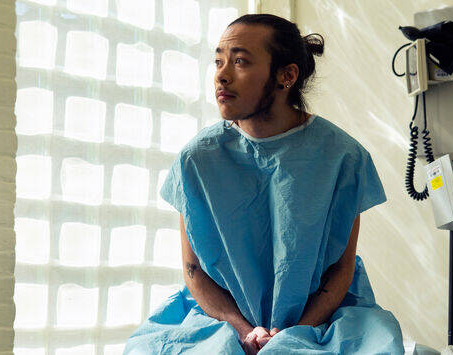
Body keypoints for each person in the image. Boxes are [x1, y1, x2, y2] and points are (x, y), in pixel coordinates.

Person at [124, 14, 404, 354]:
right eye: (218, 62)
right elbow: (194, 270)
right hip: (221, 317)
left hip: (324, 317)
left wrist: (293, 334)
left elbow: (341, 271)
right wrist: (244, 331)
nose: (222, 76)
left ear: (287, 75)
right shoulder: (197, 159)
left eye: (240, 61)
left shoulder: (343, 157)